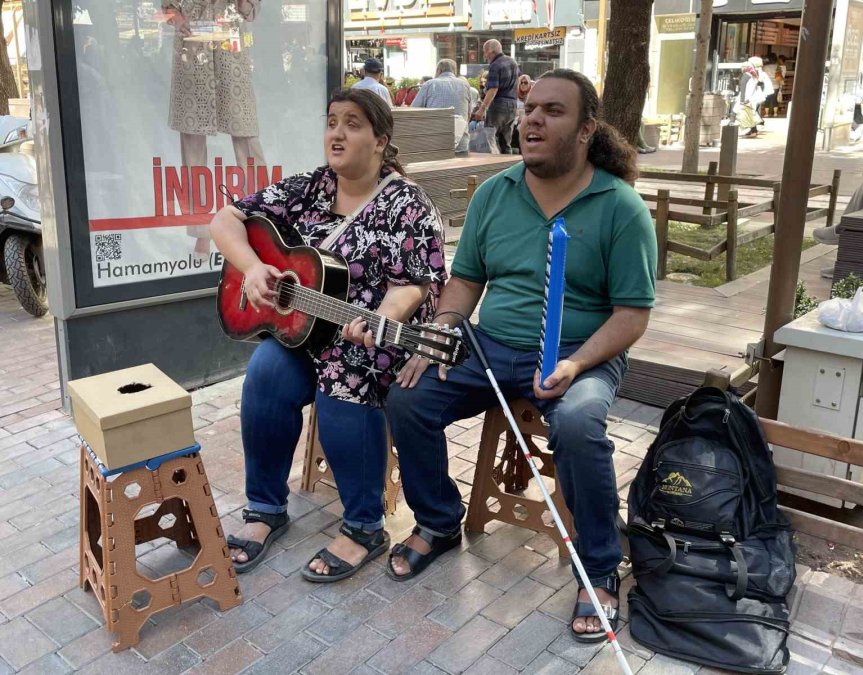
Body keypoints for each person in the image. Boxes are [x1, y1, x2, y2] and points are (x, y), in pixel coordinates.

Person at [385, 69, 656, 643]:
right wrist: (443, 329)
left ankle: (599, 566)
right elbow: (465, 280)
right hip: (493, 345)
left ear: (586, 131)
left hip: (580, 351)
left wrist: (579, 364)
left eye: (552, 111)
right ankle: (437, 521)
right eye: (530, 107)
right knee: (407, 394)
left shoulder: (621, 207)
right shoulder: (495, 193)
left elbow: (632, 314)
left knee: (580, 423)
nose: (532, 118)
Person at [210, 89, 446, 581]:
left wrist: (378, 319)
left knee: (344, 378)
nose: (337, 133)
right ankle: (266, 507)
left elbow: (417, 283)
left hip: (373, 339)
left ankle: (364, 526)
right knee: (265, 375)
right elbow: (224, 220)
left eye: (353, 124)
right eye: (332, 122)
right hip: (306, 330)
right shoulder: (312, 187)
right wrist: (253, 269)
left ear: (381, 140)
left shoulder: (407, 203)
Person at [163, 0, 266, 262]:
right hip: (193, 54)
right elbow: (168, 7)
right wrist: (180, 22)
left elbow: (250, 10)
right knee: (193, 145)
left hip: (230, 52)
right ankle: (201, 231)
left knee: (247, 139)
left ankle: (262, 222)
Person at [411, 59, 477, 153]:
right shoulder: (465, 85)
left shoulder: (430, 84)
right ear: (454, 71)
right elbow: (468, 114)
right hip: (461, 143)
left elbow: (414, 110)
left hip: (435, 144)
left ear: (438, 70)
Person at [472, 39, 519, 154]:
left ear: (491, 51)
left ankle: (492, 168)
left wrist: (482, 109)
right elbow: (516, 85)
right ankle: (507, 168)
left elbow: (493, 89)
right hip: (512, 105)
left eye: (485, 51)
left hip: (498, 105)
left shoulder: (495, 65)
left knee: (490, 141)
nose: (485, 55)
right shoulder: (513, 62)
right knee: (506, 143)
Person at [737, 62, 764, 138]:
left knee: (748, 115)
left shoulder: (745, 76)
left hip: (747, 99)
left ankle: (753, 130)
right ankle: (752, 130)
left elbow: (743, 89)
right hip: (752, 98)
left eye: (742, 67)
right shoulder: (753, 76)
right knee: (751, 114)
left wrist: (742, 100)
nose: (741, 68)